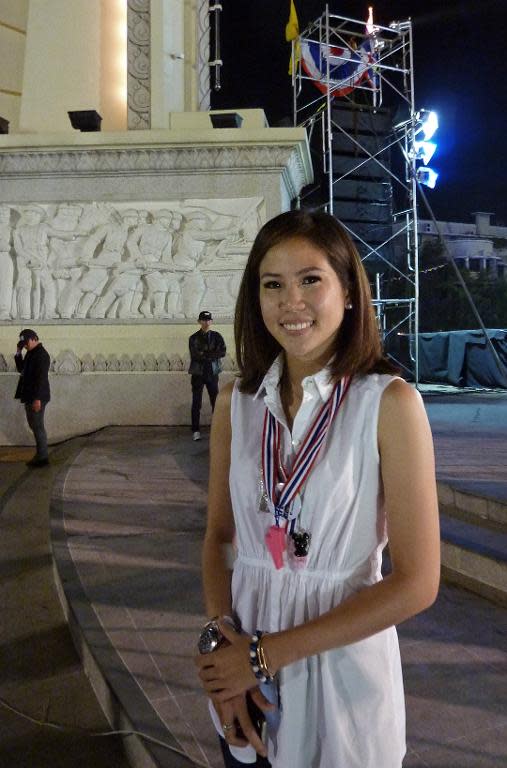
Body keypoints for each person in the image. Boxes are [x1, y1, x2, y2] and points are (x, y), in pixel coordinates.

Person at [195, 210, 440, 768]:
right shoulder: (238, 404)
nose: (291, 302)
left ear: (349, 290)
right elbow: (218, 537)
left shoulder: (389, 404)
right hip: (244, 687)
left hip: (340, 687)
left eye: (311, 280)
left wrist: (263, 656)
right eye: (272, 284)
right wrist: (222, 651)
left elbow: (418, 582)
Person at [14, 328, 51, 468]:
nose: (25, 345)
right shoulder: (31, 353)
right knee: (34, 425)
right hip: (30, 396)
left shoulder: (41, 355)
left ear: (34, 338)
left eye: (26, 342)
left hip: (37, 397)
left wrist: (37, 399)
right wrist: (18, 352)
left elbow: (40, 379)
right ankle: (41, 454)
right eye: (23, 343)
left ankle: (42, 457)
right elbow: (21, 369)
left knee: (37, 426)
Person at [188, 311, 226, 441]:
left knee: (215, 401)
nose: (206, 322)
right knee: (196, 402)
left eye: (208, 320)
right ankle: (195, 430)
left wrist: (206, 354)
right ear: (199, 322)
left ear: (211, 321)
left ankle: (218, 429)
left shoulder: (217, 336)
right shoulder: (193, 338)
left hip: (212, 372)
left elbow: (222, 351)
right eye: (204, 320)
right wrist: (211, 354)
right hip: (198, 373)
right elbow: (195, 355)